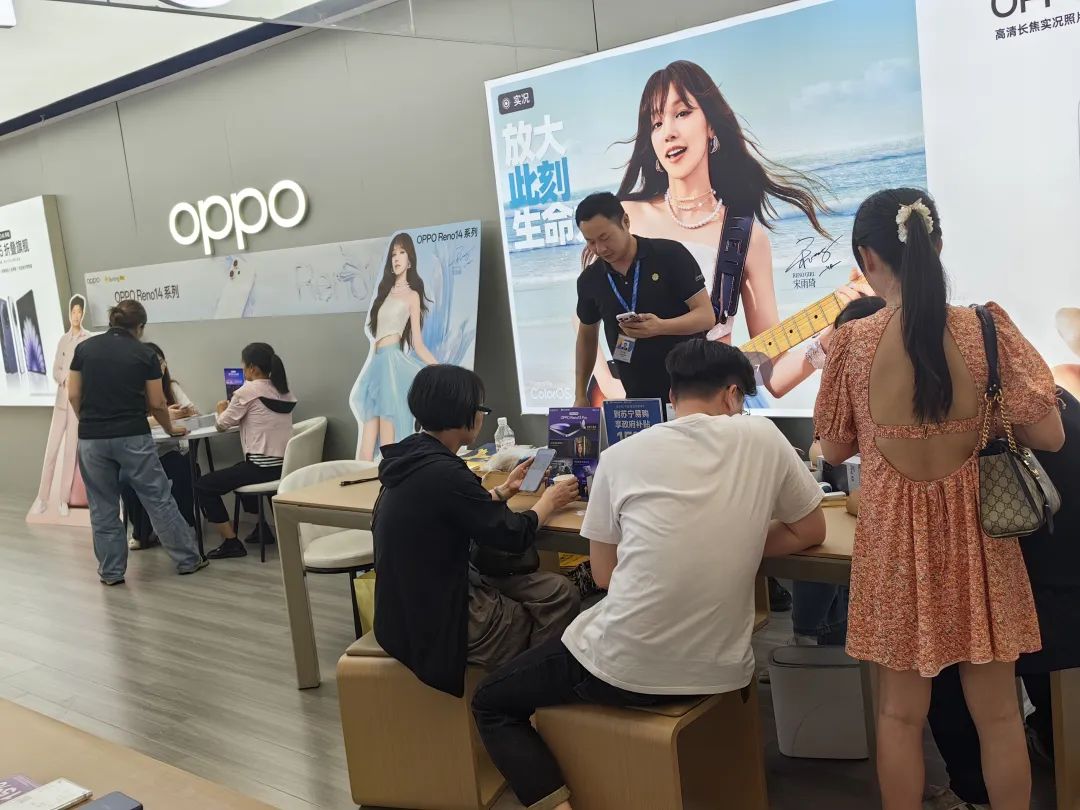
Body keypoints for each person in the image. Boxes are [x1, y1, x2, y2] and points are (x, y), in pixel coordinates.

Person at [473, 339, 826, 810]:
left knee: (491, 702)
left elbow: (604, 576)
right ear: (732, 395)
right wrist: (731, 542)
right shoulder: (764, 438)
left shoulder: (621, 456)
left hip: (622, 666)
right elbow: (810, 529)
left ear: (672, 397)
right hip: (722, 669)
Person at [813, 188, 1064, 810]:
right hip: (982, 545)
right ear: (939, 246)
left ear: (867, 258)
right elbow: (1051, 434)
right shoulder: (986, 327)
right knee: (999, 717)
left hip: (894, 552)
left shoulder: (853, 343)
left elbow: (834, 446)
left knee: (899, 718)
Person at [597, 59, 864, 402]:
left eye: (682, 113)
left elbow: (772, 376)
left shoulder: (744, 237)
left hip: (712, 415)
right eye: (657, 122)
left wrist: (828, 338)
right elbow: (584, 318)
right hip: (637, 414)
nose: (668, 132)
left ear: (711, 125)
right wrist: (614, 387)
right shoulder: (625, 217)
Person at [372, 364, 581, 698]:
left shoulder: (412, 457)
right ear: (464, 414)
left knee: (557, 592)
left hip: (409, 605)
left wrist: (503, 491)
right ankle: (523, 692)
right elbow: (513, 535)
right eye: (481, 408)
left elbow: (459, 509)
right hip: (441, 615)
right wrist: (549, 502)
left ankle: (530, 682)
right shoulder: (446, 473)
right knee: (540, 616)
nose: (482, 416)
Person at [925, 387, 1080, 810]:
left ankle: (974, 791)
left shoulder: (955, 416)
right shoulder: (1055, 398)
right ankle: (1047, 735)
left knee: (942, 659)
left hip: (1026, 608)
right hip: (1060, 598)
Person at [66, 300, 207, 585]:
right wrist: (170, 428)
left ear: (112, 322)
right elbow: (157, 402)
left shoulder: (84, 349)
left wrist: (89, 422)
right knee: (159, 500)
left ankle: (111, 573)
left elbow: (73, 394)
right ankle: (188, 560)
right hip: (132, 436)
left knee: (103, 507)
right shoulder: (144, 354)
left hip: (92, 439)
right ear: (140, 327)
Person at [790, 296, 885, 645]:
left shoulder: (894, 387)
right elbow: (820, 448)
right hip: (847, 503)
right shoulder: (839, 386)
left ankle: (821, 639)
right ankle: (814, 638)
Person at [573, 192, 715, 405]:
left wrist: (660, 327)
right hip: (639, 398)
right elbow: (586, 337)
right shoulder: (590, 279)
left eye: (605, 238)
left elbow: (706, 317)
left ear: (625, 221)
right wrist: (580, 395)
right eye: (590, 242)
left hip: (694, 389)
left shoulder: (670, 255)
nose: (600, 249)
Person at [200, 343, 297, 560]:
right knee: (240, 469)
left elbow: (221, 425)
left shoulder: (246, 391)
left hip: (261, 467)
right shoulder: (284, 390)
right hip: (283, 466)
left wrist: (221, 410)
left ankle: (231, 542)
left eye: (244, 366)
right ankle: (262, 529)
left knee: (203, 486)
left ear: (252, 368)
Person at [349, 232, 437, 460]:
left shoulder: (412, 296)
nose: (396, 258)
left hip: (392, 366)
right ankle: (360, 480)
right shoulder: (384, 292)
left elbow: (418, 344)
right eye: (393, 254)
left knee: (388, 442)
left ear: (410, 260)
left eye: (402, 252)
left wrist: (442, 369)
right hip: (376, 365)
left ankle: (391, 481)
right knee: (367, 443)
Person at [122, 343, 198, 551]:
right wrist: (163, 418)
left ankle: (186, 526)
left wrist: (184, 413)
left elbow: (193, 413)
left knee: (185, 470)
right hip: (140, 454)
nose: (159, 367)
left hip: (168, 452)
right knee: (126, 481)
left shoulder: (171, 387)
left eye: (161, 362)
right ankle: (142, 533)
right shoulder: (131, 391)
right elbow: (131, 422)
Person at [32, 294, 91, 516]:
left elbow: (87, 368)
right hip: (60, 402)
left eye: (79, 311)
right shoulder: (63, 340)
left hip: (76, 403)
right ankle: (42, 498)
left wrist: (75, 380)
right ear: (69, 313)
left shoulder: (87, 339)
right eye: (73, 311)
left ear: (83, 314)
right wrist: (64, 377)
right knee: (52, 451)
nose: (76, 315)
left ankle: (63, 500)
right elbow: (56, 369)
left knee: (70, 453)